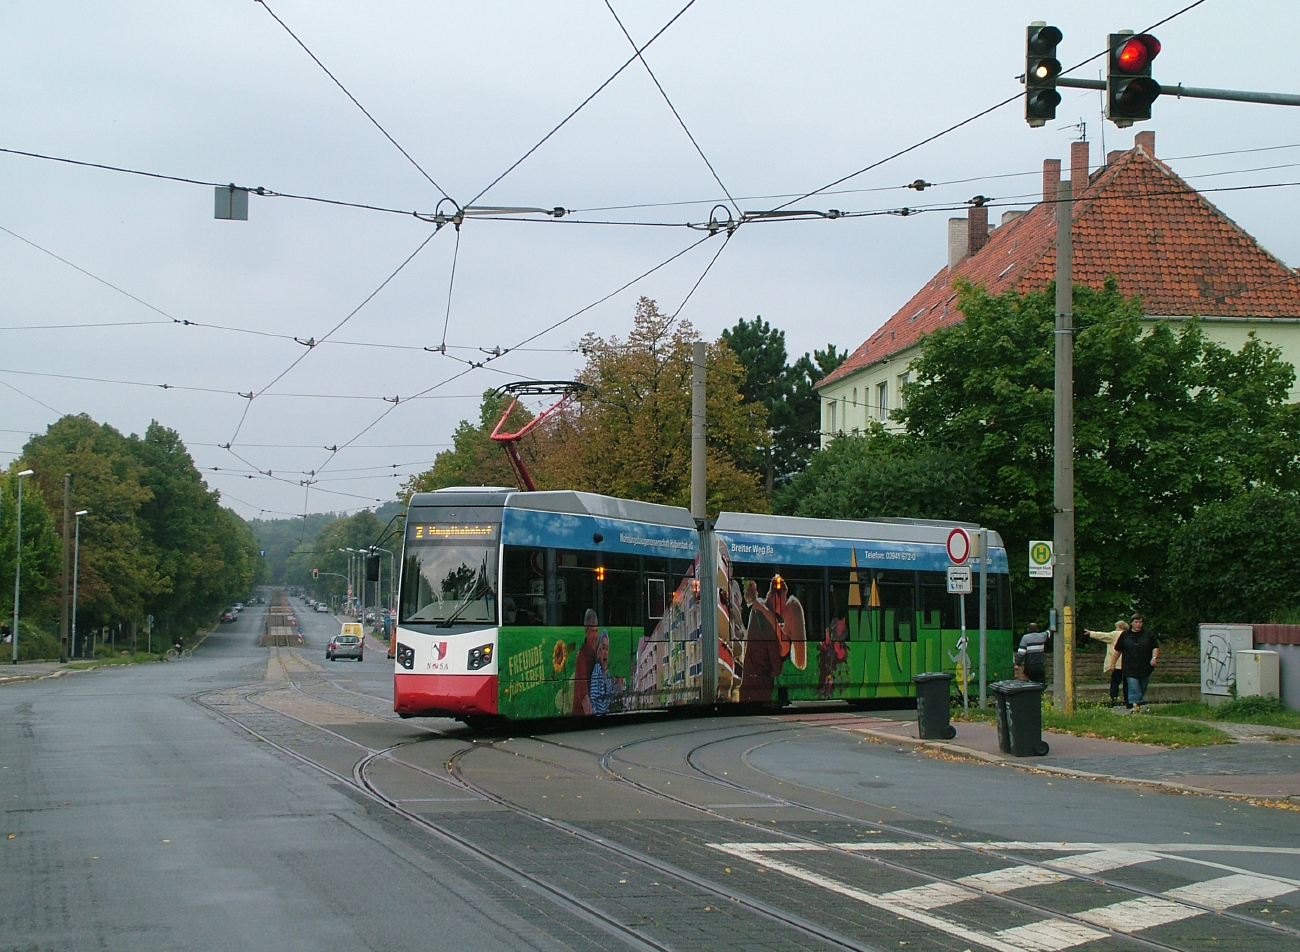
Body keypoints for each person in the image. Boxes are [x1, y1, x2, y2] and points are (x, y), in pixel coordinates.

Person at [1116, 614, 1159, 711]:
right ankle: (1135, 705)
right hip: (1129, 666)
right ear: (1131, 623)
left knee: (1142, 686)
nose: (1138, 624)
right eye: (1136, 622)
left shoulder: (1148, 634)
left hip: (1145, 665)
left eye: (1140, 622)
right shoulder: (1125, 635)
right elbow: (1118, 650)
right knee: (1133, 686)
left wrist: (1154, 658)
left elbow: (1155, 647)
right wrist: (1113, 663)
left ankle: (1137, 703)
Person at [1084, 620, 1129, 706]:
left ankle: (1113, 699)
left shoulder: (1114, 634)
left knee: (1115, 682)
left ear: (1119, 627)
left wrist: (1091, 633)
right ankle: (1127, 700)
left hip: (1117, 663)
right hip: (1127, 663)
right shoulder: (1128, 635)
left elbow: (1102, 635)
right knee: (1126, 683)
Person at [572, 608, 599, 716]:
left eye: (596, 631)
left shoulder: (597, 653)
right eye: (592, 631)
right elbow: (584, 697)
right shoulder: (581, 657)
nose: (595, 636)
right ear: (586, 631)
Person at [589, 631, 622, 715]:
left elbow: (609, 697)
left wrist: (618, 687)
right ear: (599, 652)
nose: (605, 652)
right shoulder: (597, 671)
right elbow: (593, 701)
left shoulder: (607, 674)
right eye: (603, 648)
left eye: (607, 649)